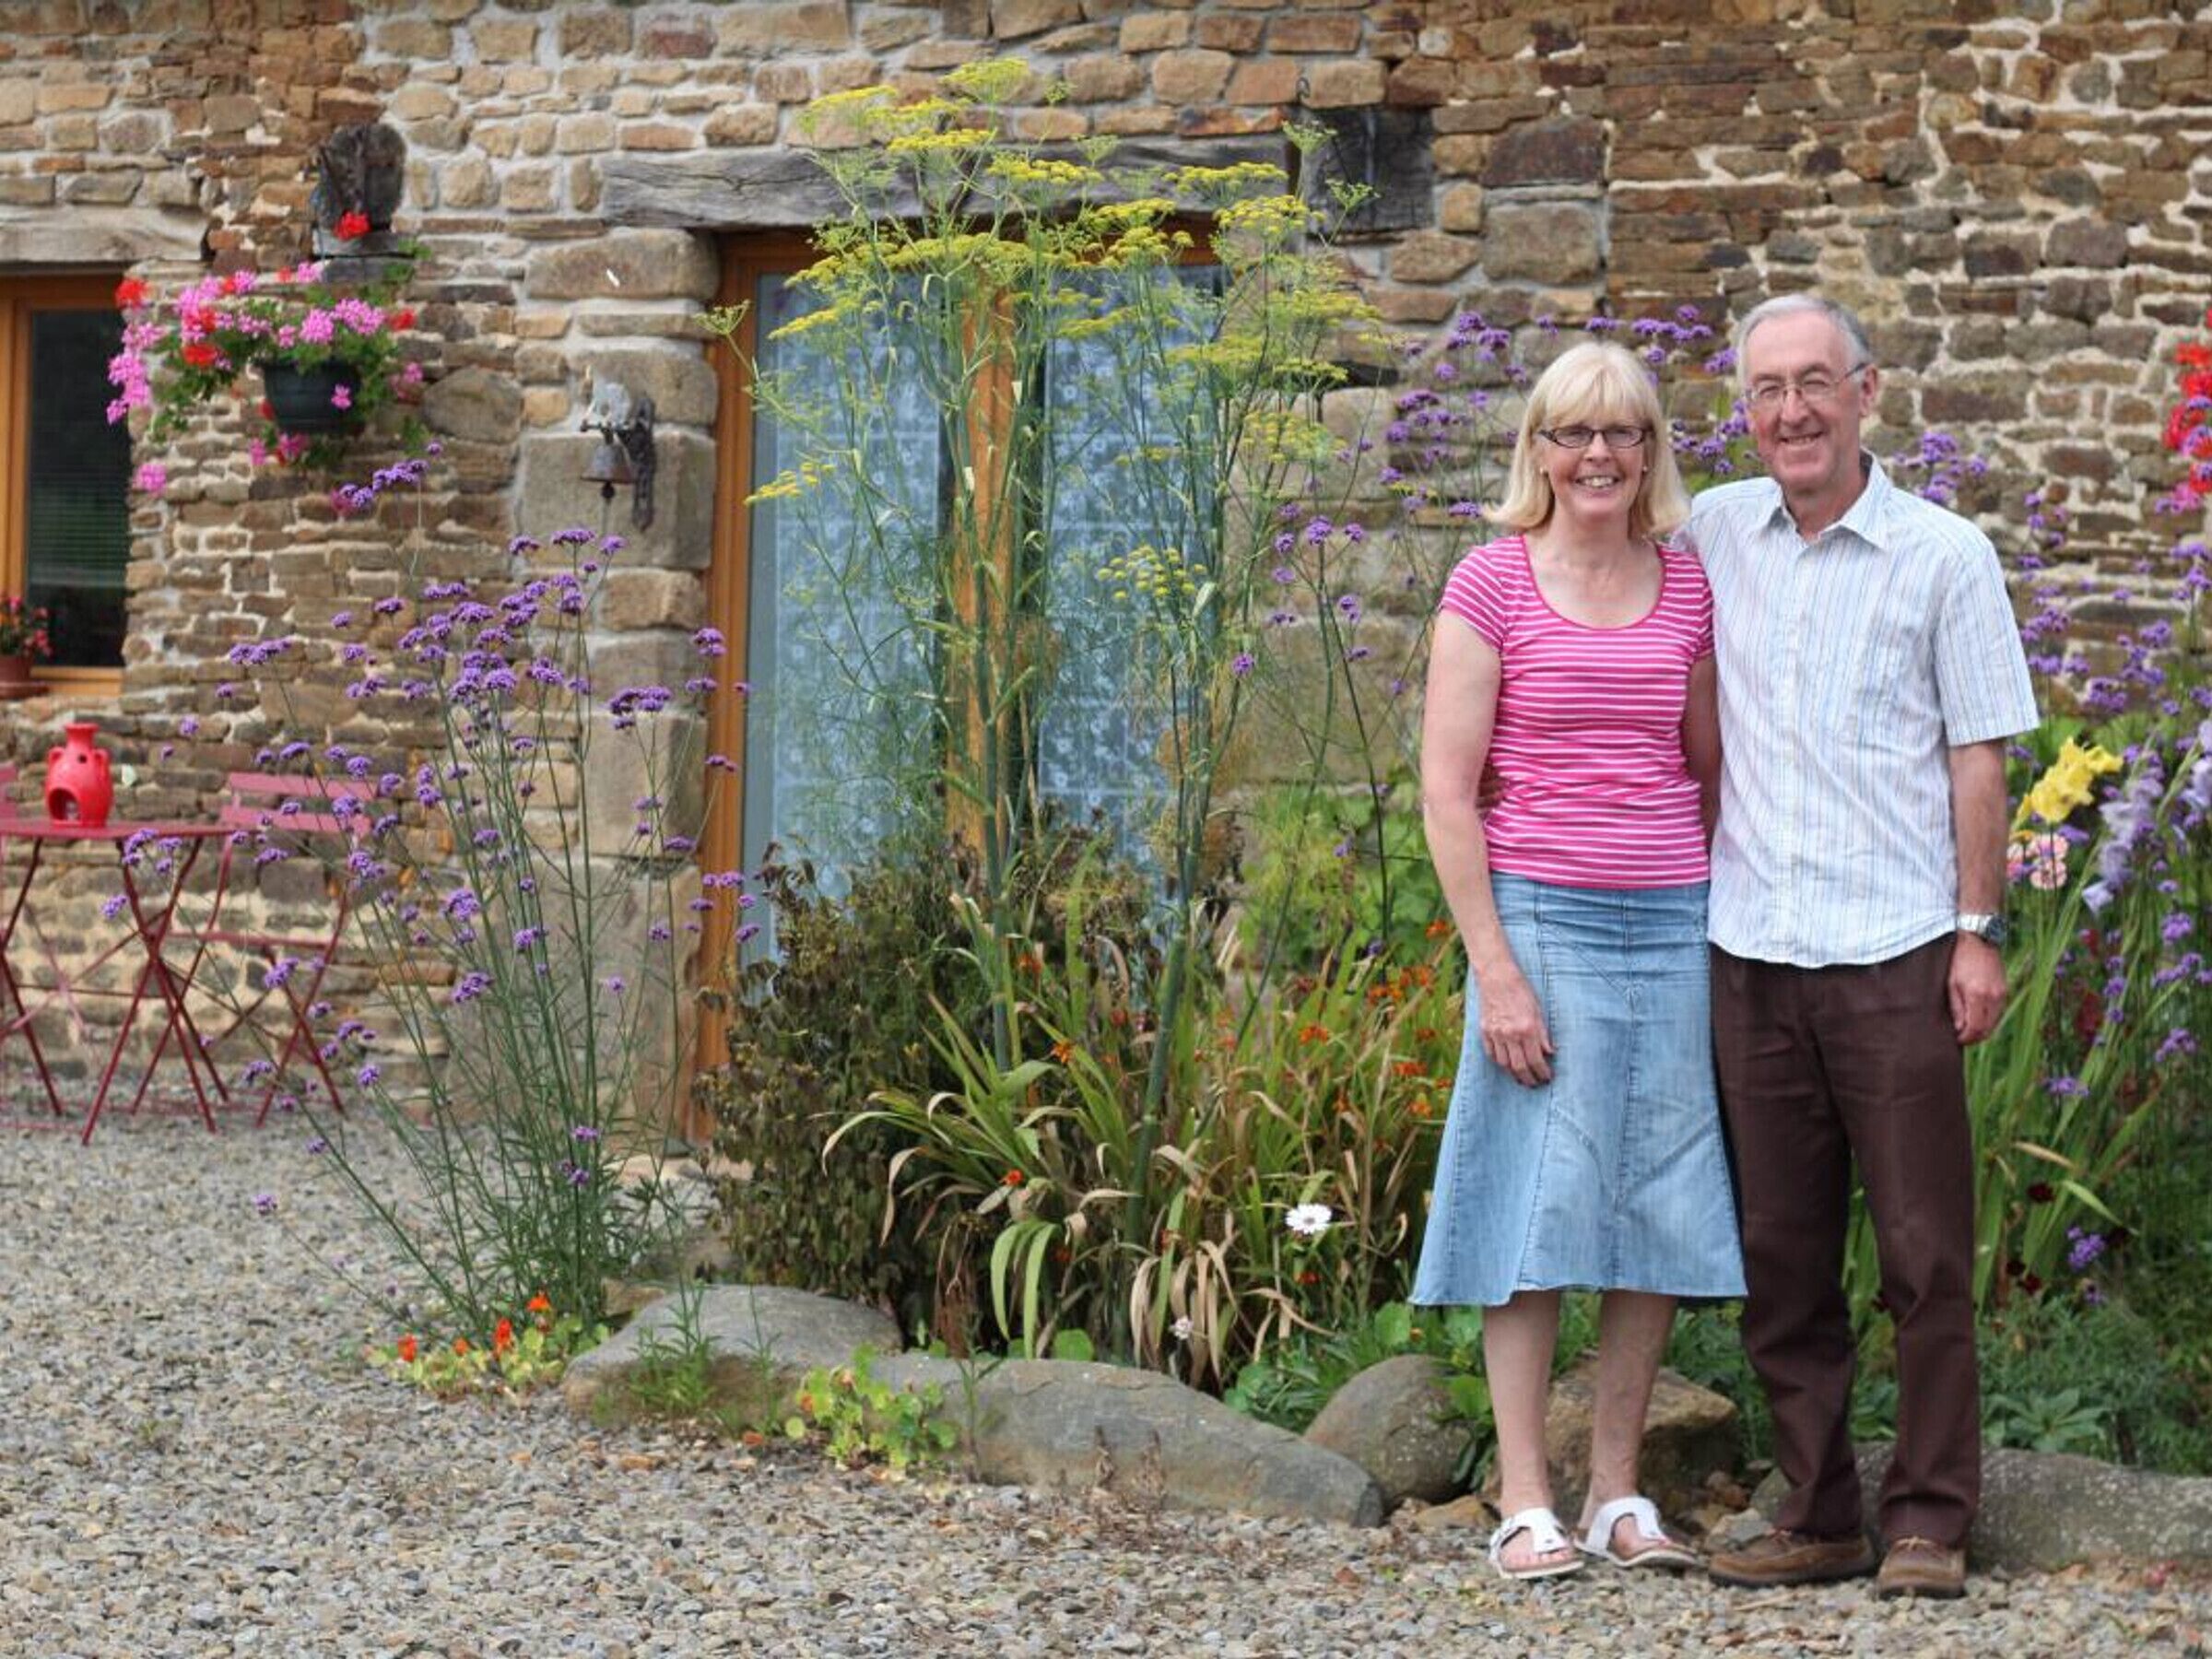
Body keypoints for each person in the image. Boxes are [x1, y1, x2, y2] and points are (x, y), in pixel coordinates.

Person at [1695, 294, 2037, 1600]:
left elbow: (1979, 754)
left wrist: (1977, 932)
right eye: (1768, 388)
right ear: (1747, 408)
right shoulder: (1718, 533)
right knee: (1781, 1260)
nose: (1791, 410)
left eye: (1815, 383)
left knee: (1924, 1257)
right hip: (1752, 952)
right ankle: (1821, 1511)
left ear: (1867, 393)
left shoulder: (1944, 555)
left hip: (1896, 952)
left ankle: (1932, 1522)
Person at [1413, 339, 1747, 1583]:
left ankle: (1617, 1496)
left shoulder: (1690, 589)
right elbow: (1449, 794)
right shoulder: (1490, 584)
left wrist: (1711, 917)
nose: (1598, 455)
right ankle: (1523, 1499)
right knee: (1537, 1201)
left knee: (1654, 1198)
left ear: (1652, 454)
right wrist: (1495, 969)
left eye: (1624, 434)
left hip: (1667, 920)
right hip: (1538, 919)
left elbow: (1709, 770)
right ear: (1538, 451)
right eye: (1574, 433)